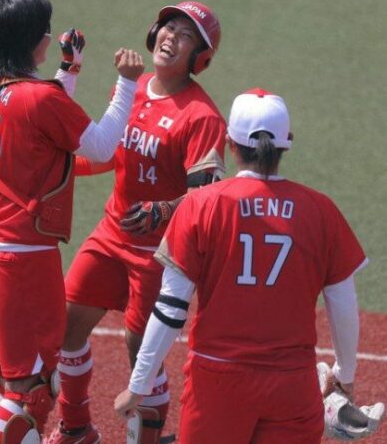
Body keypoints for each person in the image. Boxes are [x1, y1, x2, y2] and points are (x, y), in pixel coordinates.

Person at [114, 88, 368, 444]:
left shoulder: (199, 205)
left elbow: (171, 307)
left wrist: (138, 386)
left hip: (217, 382)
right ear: (287, 143)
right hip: (292, 386)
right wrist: (345, 374)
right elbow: (343, 305)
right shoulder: (321, 210)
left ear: (230, 142)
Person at [0, 0, 143, 444]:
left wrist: (69, 69)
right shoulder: (39, 99)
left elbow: (42, 119)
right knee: (30, 390)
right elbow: (101, 144)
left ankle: (76, 431)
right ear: (34, 40)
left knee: (13, 382)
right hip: (21, 259)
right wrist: (127, 84)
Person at [46, 1, 226, 444]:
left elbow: (207, 199)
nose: (171, 37)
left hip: (160, 254)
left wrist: (164, 210)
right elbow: (110, 153)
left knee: (139, 350)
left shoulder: (202, 118)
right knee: (67, 325)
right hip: (110, 235)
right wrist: (64, 166)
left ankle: (148, 437)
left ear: (199, 57)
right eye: (168, 26)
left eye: (185, 35)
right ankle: (75, 426)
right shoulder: (138, 86)